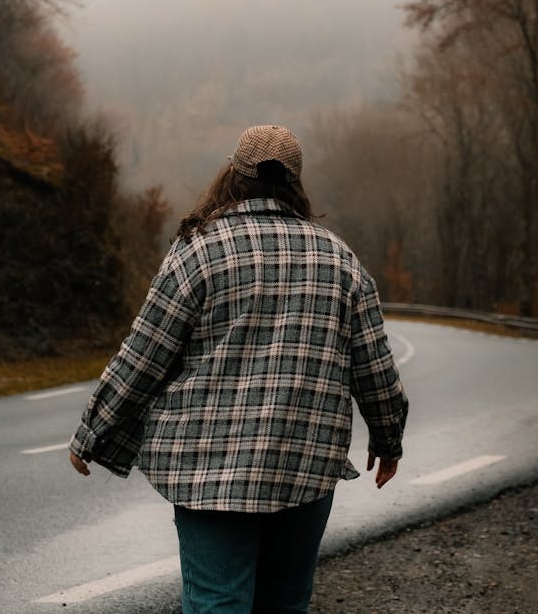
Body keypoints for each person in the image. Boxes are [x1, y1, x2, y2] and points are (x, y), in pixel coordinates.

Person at [69, 123, 408, 614]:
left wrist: (93, 432)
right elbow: (375, 368)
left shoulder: (199, 249)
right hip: (304, 460)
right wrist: (388, 439)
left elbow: (145, 354)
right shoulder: (340, 260)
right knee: (286, 601)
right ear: (295, 184)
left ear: (233, 175)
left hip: (208, 467)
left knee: (216, 602)